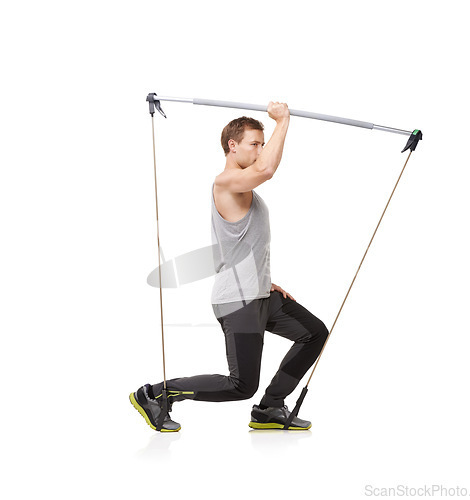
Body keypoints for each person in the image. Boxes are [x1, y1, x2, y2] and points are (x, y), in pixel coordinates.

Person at [130, 102, 329, 431]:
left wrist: (266, 281)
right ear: (231, 145)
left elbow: (244, 245)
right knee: (241, 385)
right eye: (255, 144)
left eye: (262, 145)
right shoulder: (226, 183)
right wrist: (283, 121)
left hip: (261, 294)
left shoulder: (245, 188)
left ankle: (269, 408)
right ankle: (154, 394)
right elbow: (266, 170)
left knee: (314, 333)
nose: (260, 151)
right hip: (238, 303)